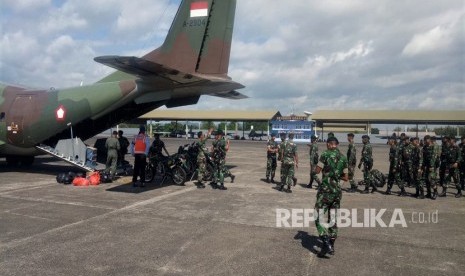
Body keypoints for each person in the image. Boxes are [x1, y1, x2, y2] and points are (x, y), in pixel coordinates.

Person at [315, 136, 348, 257]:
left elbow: (317, 171)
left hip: (325, 191)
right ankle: (331, 245)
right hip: (337, 192)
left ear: (329, 144)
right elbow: (346, 178)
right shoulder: (344, 158)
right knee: (333, 218)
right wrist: (336, 182)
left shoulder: (325, 154)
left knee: (317, 215)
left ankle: (326, 242)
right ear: (337, 144)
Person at [423, 135, 439, 199]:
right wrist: (423, 166)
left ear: (429, 140)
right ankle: (429, 193)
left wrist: (432, 166)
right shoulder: (425, 147)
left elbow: (434, 157)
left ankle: (435, 192)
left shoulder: (434, 146)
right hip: (427, 165)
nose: (425, 141)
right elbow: (423, 157)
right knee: (427, 180)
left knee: (431, 179)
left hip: (432, 166)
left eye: (426, 140)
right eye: (425, 140)